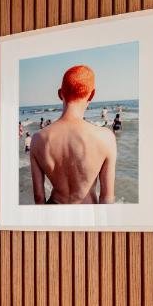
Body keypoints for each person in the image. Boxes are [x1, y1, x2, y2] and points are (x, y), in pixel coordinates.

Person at [29, 64, 116, 204]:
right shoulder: (106, 138)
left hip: (54, 214)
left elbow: (39, 197)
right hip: (88, 217)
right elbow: (107, 197)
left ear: (60, 93)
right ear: (92, 94)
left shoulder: (38, 139)